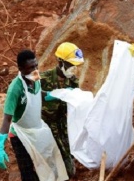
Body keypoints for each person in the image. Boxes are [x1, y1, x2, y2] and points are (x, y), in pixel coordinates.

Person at [0, 49, 68, 181]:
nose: (35, 70)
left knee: (51, 164)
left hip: (38, 130)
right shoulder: (15, 89)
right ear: (20, 68)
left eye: (36, 66)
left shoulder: (34, 77)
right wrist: (0, 146)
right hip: (21, 135)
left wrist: (56, 95)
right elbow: (7, 119)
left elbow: (38, 93)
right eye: (30, 67)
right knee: (28, 172)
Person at [40, 42, 85, 178]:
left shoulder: (73, 82)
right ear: (60, 62)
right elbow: (26, 93)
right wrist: (46, 95)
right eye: (71, 65)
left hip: (62, 125)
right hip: (45, 125)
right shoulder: (43, 78)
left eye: (76, 66)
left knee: (69, 167)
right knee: (51, 162)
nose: (74, 69)